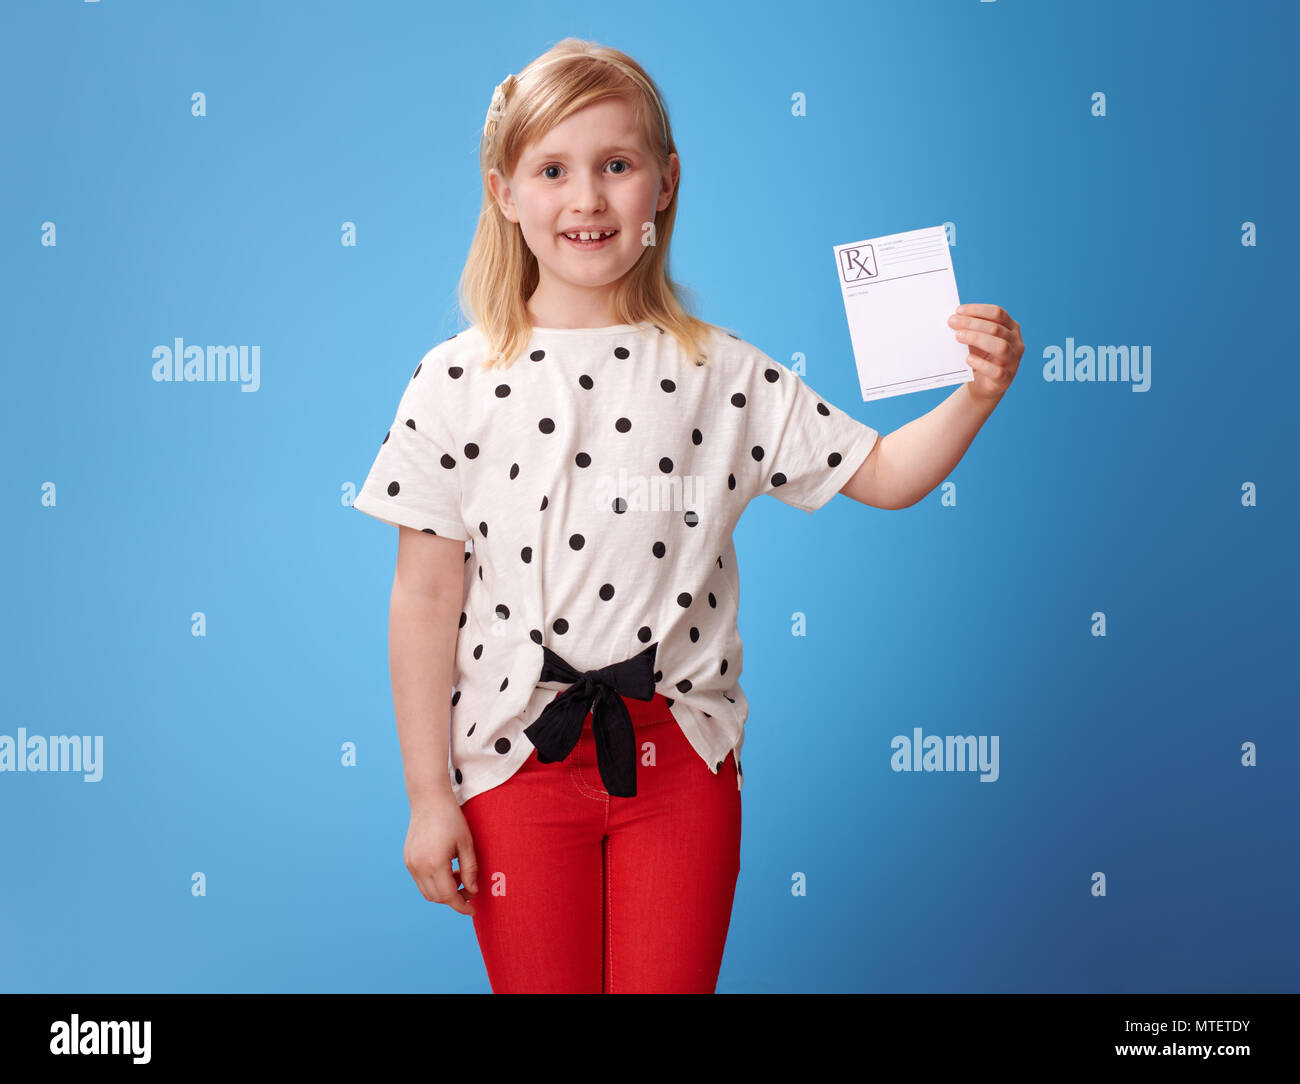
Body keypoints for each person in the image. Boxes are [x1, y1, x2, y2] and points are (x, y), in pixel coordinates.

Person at [352, 37, 1024, 994]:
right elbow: (423, 599)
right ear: (505, 192)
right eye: (553, 170)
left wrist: (975, 395)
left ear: (664, 184)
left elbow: (882, 473)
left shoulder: (725, 373)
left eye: (615, 167)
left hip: (680, 762)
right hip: (512, 765)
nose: (585, 198)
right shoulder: (454, 380)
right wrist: (428, 797)